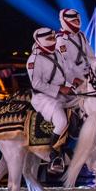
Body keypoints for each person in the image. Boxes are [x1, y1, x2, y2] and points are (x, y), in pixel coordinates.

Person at [26, 27, 74, 172]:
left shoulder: (58, 54)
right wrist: (60, 89)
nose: (53, 42)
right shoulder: (34, 60)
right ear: (40, 42)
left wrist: (75, 83)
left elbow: (65, 74)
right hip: (43, 98)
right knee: (62, 121)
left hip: (62, 93)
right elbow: (36, 84)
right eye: (49, 40)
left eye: (53, 39)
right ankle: (54, 156)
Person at [55, 8, 91, 86]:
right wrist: (75, 79)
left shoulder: (82, 35)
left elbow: (90, 54)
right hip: (74, 81)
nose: (77, 23)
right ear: (66, 21)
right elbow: (65, 64)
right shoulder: (60, 39)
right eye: (74, 21)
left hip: (89, 75)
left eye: (78, 20)